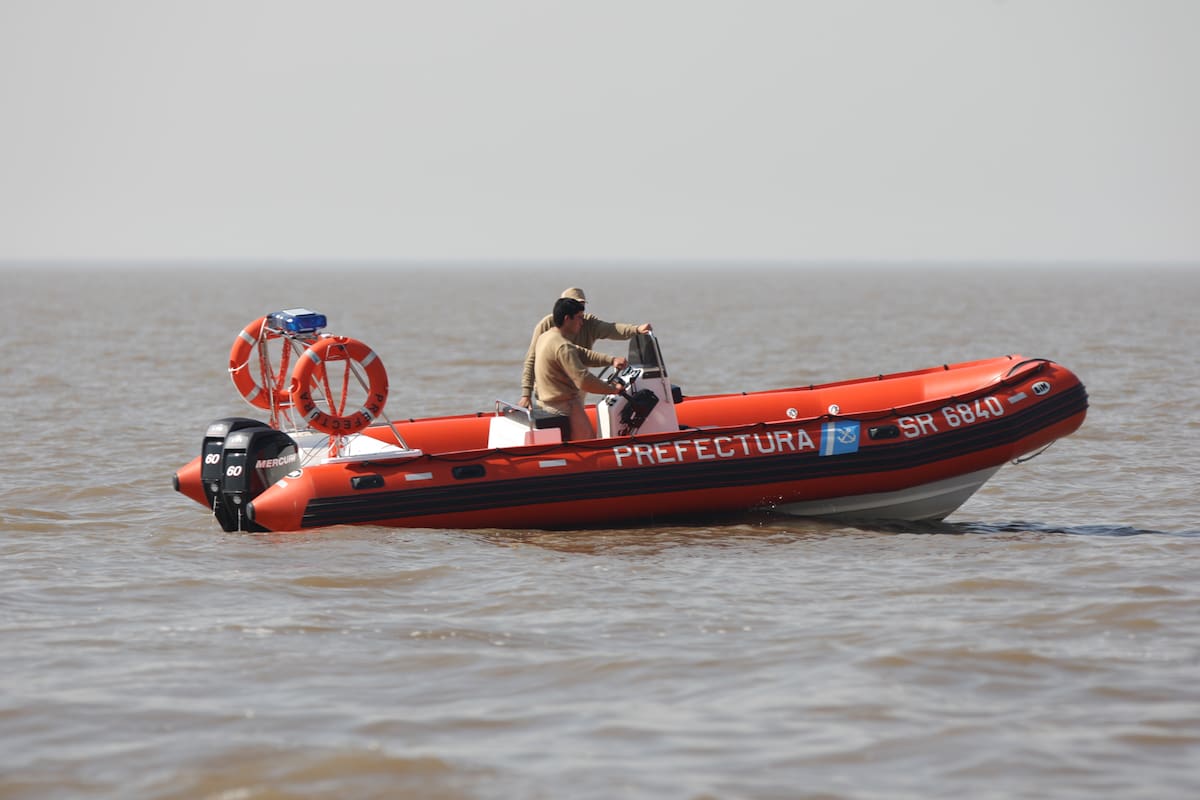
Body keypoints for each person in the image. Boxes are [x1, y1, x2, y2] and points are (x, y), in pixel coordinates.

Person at [519, 287, 651, 409]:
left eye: (581, 306)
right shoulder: (548, 327)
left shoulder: (587, 324)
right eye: (573, 305)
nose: (578, 309)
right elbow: (532, 358)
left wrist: (637, 329)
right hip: (551, 391)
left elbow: (611, 330)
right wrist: (526, 394)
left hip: (576, 389)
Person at [533, 297, 629, 441]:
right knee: (588, 442)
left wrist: (611, 360)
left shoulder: (547, 337)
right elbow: (584, 381)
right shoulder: (562, 346)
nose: (582, 322)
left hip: (544, 403)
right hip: (565, 406)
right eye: (579, 318)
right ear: (567, 319)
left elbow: (582, 354)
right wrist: (614, 389)